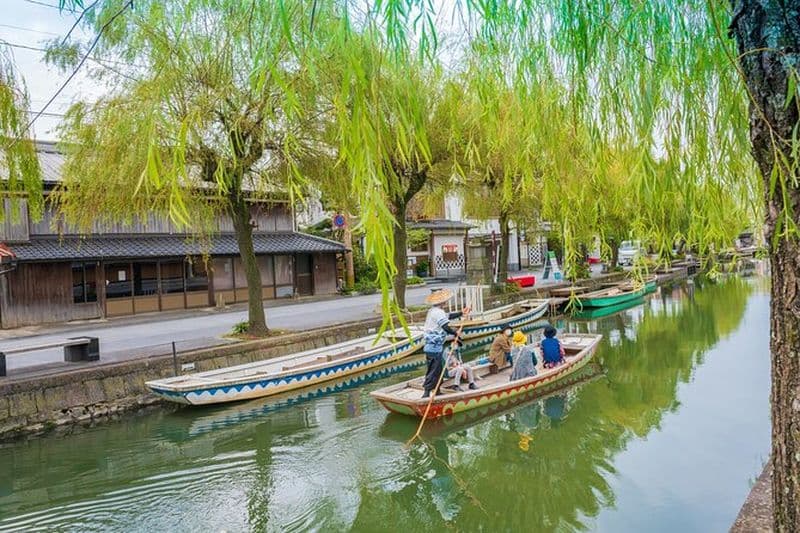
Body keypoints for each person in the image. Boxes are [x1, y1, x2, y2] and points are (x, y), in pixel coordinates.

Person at [421, 288, 469, 398]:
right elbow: (445, 327)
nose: (446, 302)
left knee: (438, 370)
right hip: (434, 346)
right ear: (442, 302)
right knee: (434, 370)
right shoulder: (438, 312)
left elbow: (448, 316)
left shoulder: (433, 311)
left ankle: (437, 390)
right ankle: (426, 393)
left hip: (431, 346)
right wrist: (455, 333)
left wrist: (461, 313)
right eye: (445, 301)